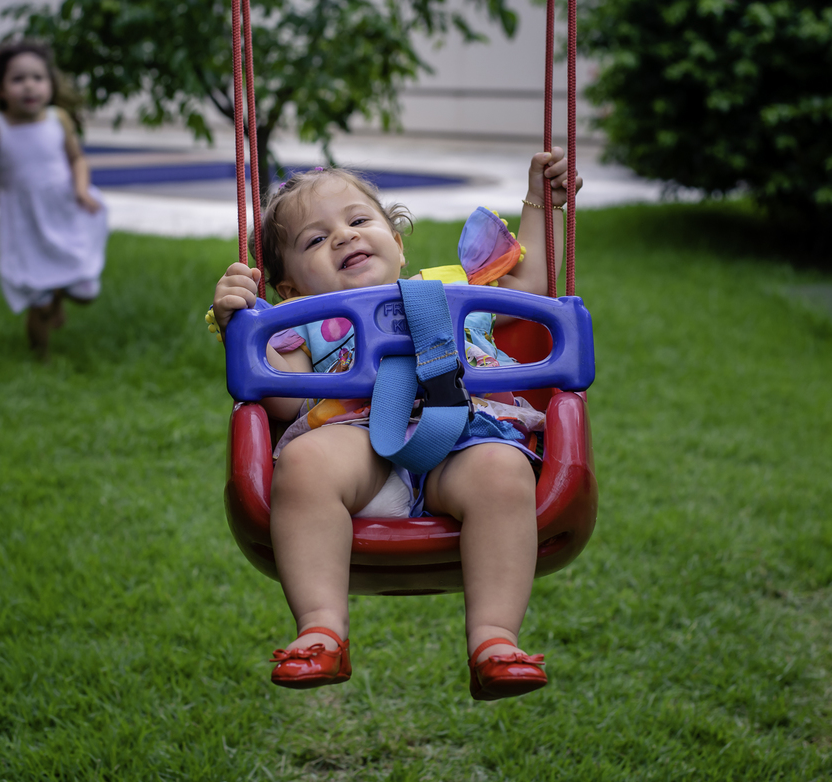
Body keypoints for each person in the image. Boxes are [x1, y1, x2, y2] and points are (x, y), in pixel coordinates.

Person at [211, 151, 581, 700]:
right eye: (314, 240)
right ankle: (321, 628)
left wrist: (542, 204)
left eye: (359, 221)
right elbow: (282, 398)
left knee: (503, 473)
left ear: (399, 244)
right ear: (289, 289)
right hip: (357, 450)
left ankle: (495, 639)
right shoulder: (305, 326)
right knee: (305, 462)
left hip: (462, 435)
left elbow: (527, 289)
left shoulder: (453, 292)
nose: (342, 237)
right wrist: (240, 325)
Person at [0, 41, 109, 357]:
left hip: (63, 211)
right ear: (0, 89)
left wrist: (80, 188)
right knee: (37, 299)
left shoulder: (57, 119)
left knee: (86, 290)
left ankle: (59, 295)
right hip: (24, 223)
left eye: (37, 77)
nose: (29, 85)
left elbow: (77, 159)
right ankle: (40, 358)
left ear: (49, 84)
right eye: (18, 79)